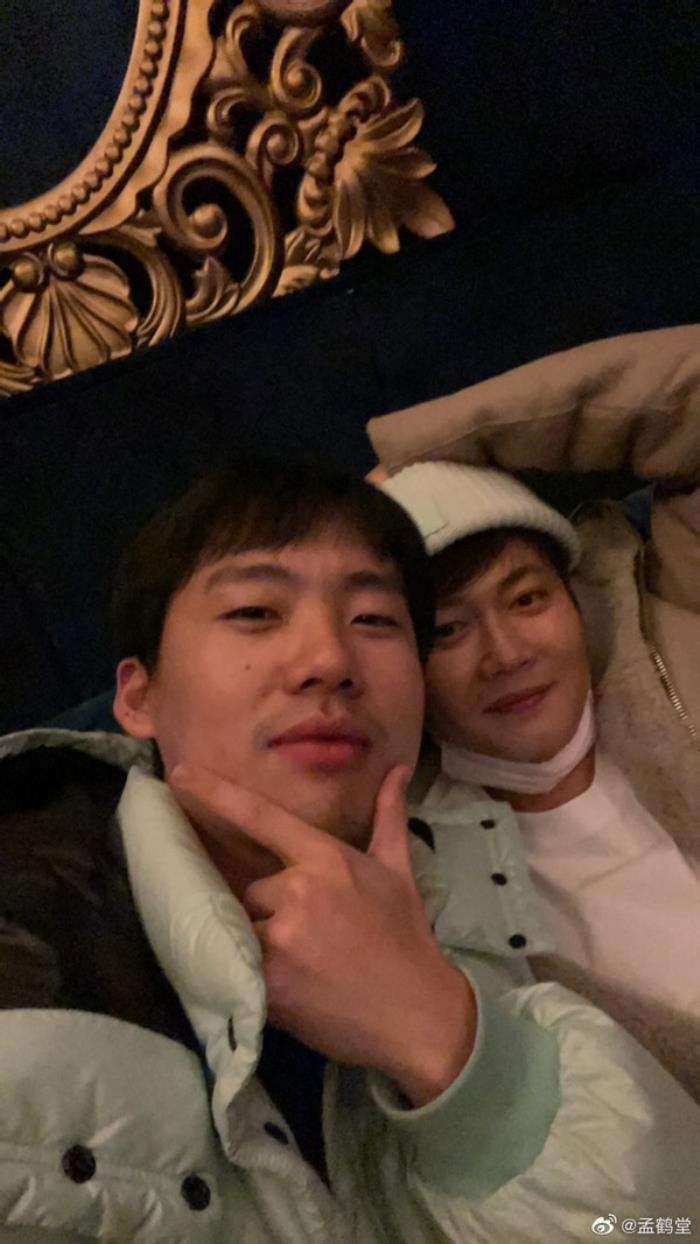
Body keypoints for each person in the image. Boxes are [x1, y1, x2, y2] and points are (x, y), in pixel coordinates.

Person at [2, 458, 700, 1244]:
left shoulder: (466, 902)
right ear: (137, 697)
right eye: (256, 612)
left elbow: (670, 1218)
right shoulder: (36, 966)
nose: (329, 661)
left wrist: (454, 1049)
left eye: (374, 620)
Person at [381, 459, 700, 1102]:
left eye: (526, 599)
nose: (507, 654)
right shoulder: (437, 899)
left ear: (575, 600)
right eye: (447, 630)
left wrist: (412, 448)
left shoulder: (677, 658)